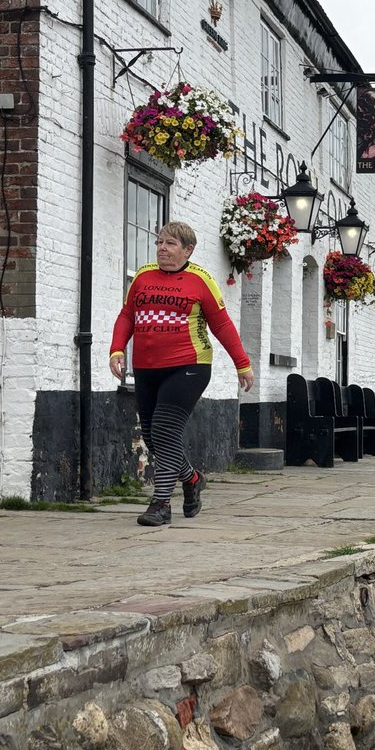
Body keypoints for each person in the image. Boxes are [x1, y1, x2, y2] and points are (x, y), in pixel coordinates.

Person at [109, 222, 254, 527]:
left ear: (188, 249)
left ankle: (161, 504)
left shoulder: (201, 280)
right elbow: (127, 315)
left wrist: (242, 363)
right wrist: (117, 348)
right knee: (151, 434)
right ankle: (192, 478)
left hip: (189, 365)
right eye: (159, 242)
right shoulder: (143, 277)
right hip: (147, 367)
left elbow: (222, 325)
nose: (162, 248)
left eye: (170, 243)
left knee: (163, 430)